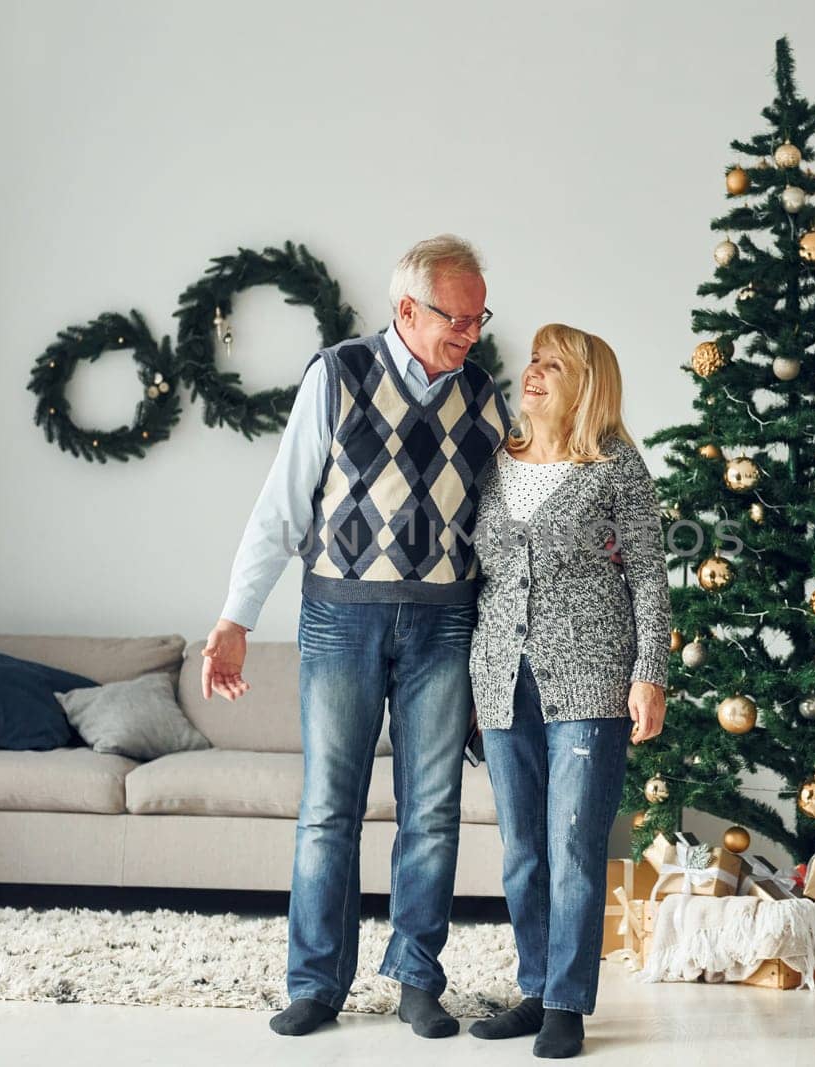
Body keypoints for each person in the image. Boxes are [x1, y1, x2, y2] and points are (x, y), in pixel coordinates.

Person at [201, 235, 510, 1039]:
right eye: (457, 317)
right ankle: (315, 983)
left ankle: (417, 977)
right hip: (341, 613)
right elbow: (282, 506)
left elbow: (505, 527)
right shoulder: (338, 376)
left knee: (433, 810)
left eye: (479, 319)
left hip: (447, 618)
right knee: (328, 809)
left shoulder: (482, 396)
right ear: (406, 308)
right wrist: (236, 619)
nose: (470, 333)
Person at [465, 324, 670, 1059]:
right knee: (522, 850)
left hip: (591, 677)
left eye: (554, 365)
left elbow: (648, 575)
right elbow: (478, 579)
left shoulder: (616, 467)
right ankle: (533, 984)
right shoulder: (493, 462)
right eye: (534, 360)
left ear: (586, 384)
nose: (533, 372)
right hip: (498, 677)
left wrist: (651, 674)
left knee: (574, 846)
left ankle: (566, 1003)